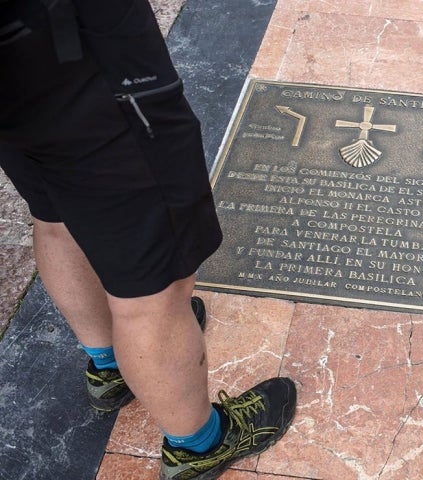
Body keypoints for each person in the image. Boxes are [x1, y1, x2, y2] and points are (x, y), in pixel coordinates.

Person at [0, 1, 296, 479]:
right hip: (74, 53)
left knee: (55, 211)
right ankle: (199, 445)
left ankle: (111, 367)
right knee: (155, 290)